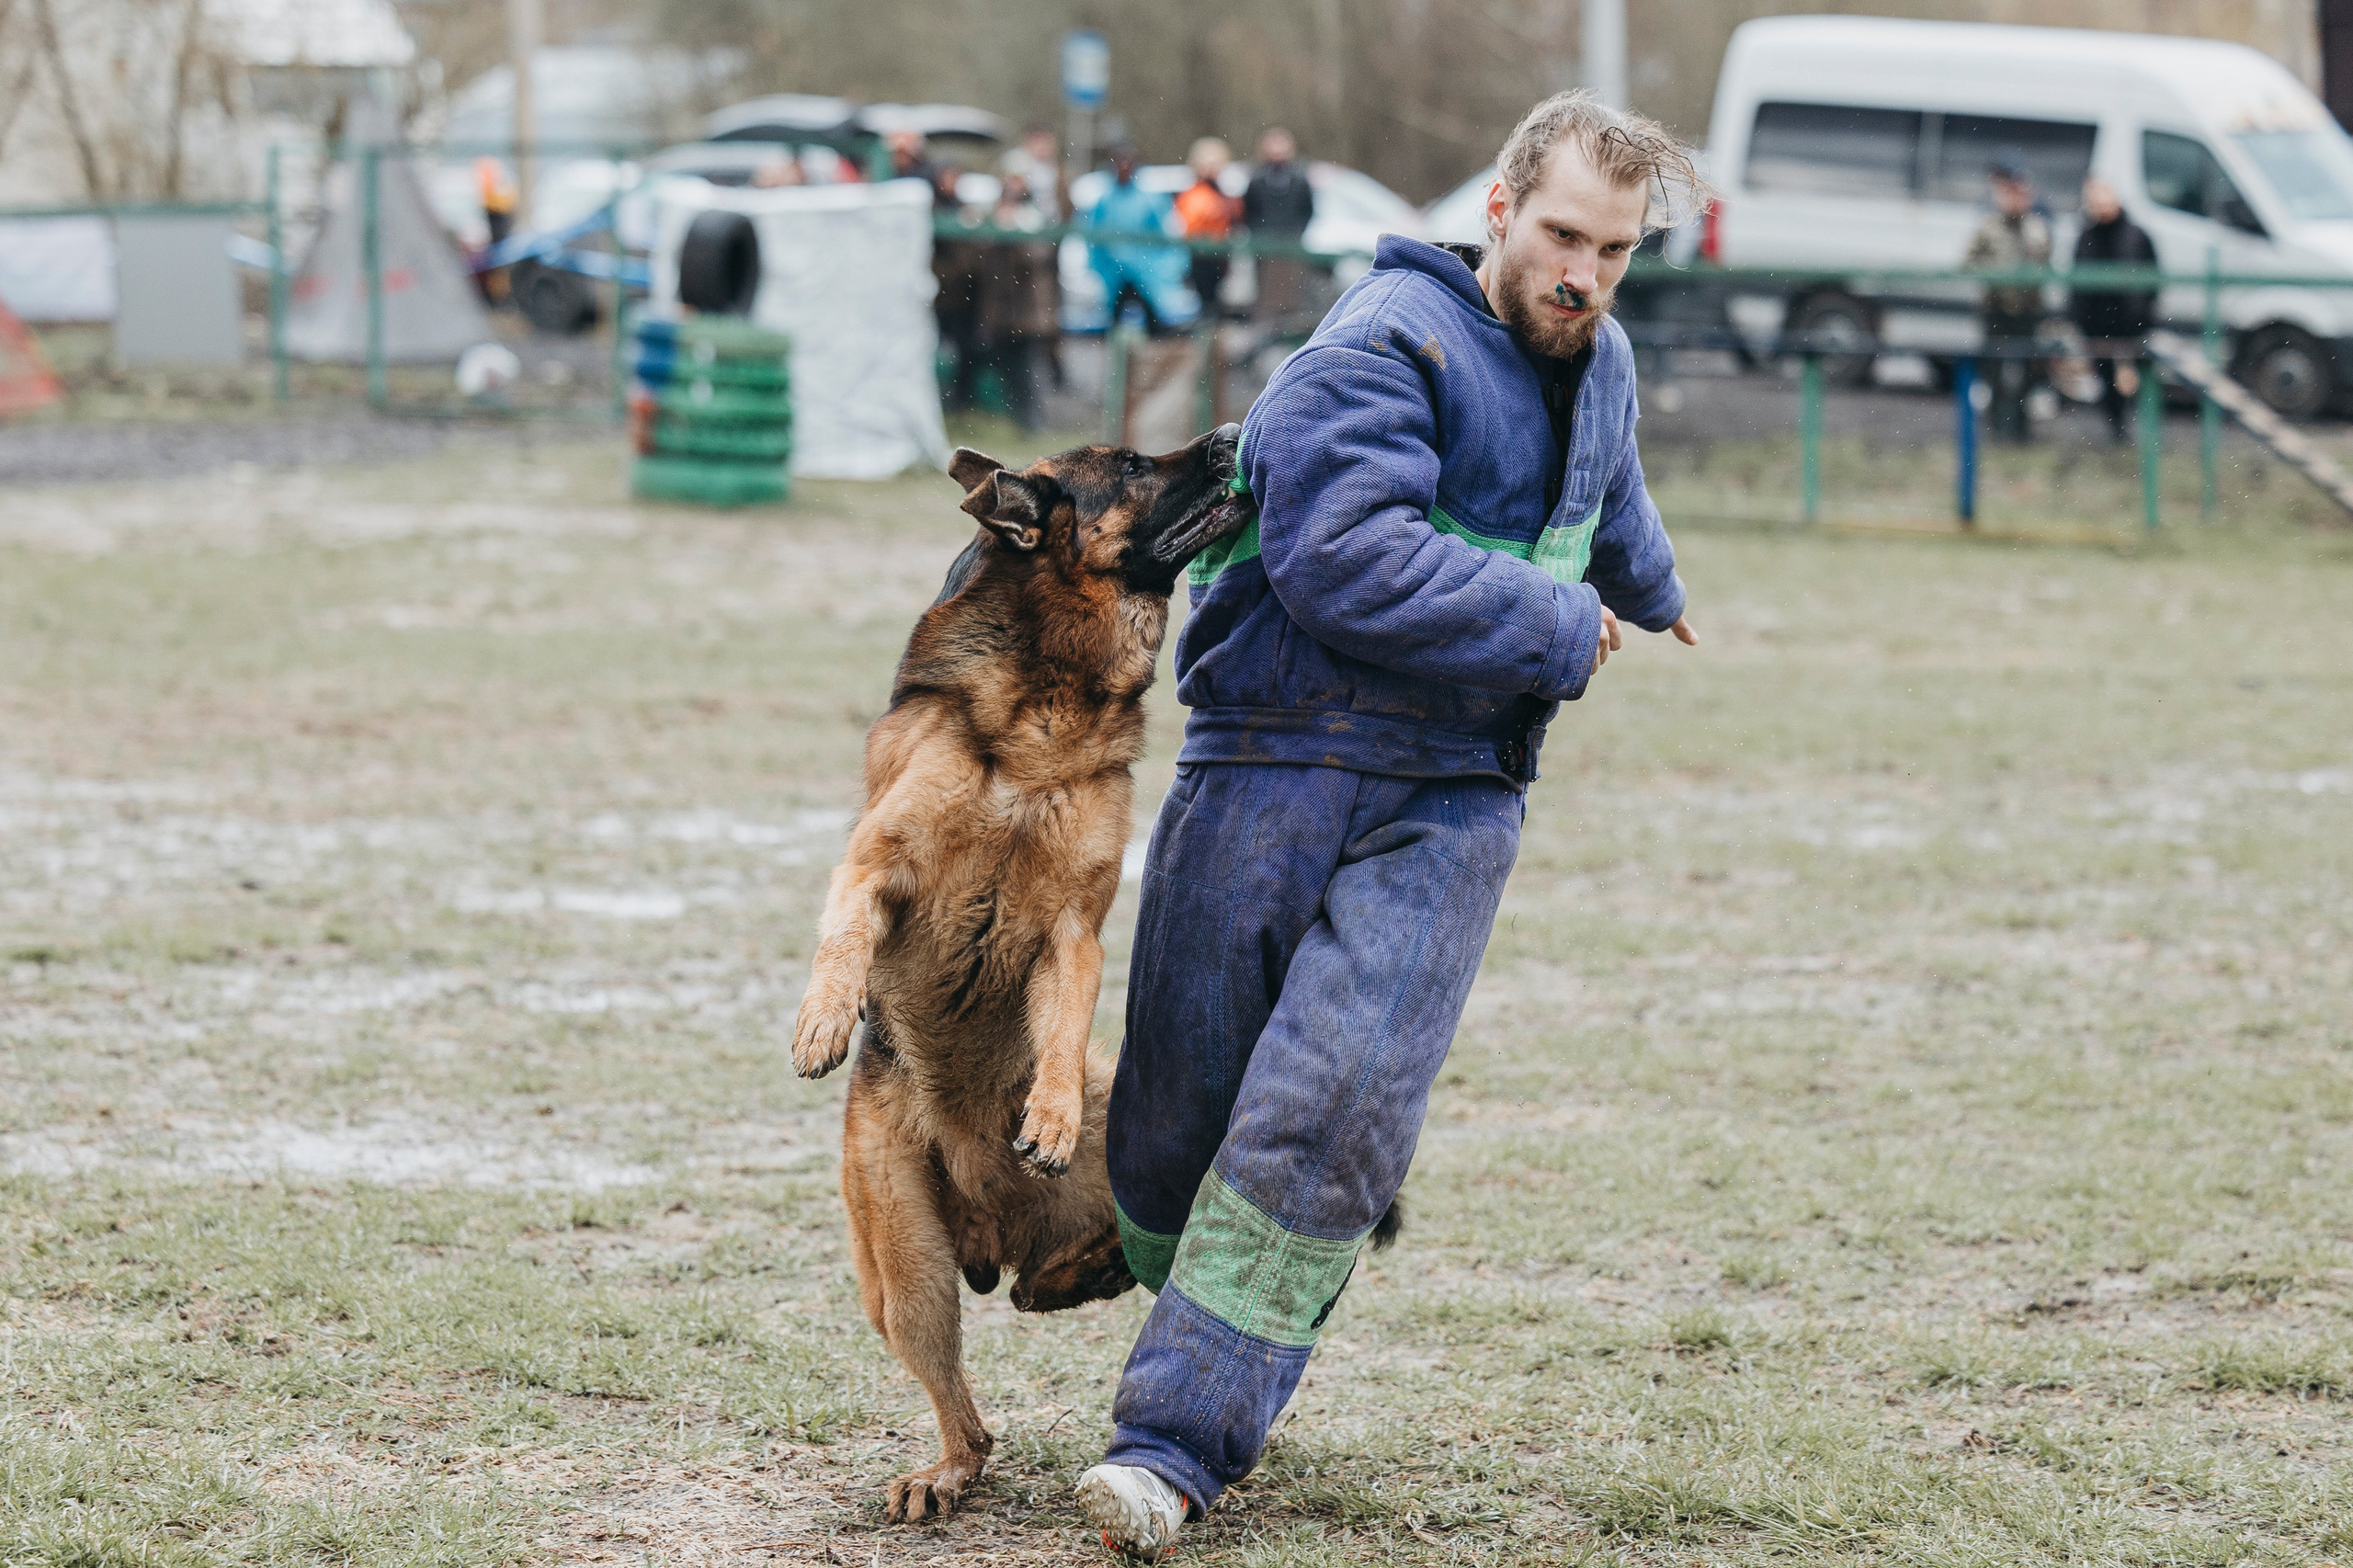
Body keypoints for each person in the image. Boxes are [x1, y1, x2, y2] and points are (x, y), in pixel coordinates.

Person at [1074, 90, 1703, 1559]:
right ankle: (1201, 1276)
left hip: (1455, 793)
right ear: (1497, 209)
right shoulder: (1374, 351)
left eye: (1614, 253)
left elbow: (1604, 487)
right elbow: (1348, 558)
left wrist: (1653, 589)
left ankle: (1173, 1446)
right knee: (1173, 1138)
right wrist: (1559, 620)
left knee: (1331, 1115)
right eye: (1561, 237)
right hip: (1274, 765)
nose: (1583, 275)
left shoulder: (1596, 355)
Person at [1963, 155, 2054, 442]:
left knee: (2028, 369)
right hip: (1996, 308)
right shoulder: (1988, 227)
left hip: (2028, 310)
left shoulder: (2037, 228)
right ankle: (1997, 426)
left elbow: (2048, 266)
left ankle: (2020, 427)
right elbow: (1968, 263)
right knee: (1994, 369)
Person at [2070, 176, 2158, 443]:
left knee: (2137, 380)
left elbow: (2151, 278)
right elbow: (2078, 282)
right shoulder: (2087, 236)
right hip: (2098, 326)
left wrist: (2143, 315)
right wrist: (2080, 320)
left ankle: (2140, 433)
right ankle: (2118, 430)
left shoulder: (2135, 235)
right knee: (2107, 381)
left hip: (2131, 325)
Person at [973, 174, 1059, 429]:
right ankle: (1014, 423)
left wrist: (1017, 233)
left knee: (1030, 375)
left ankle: (1035, 425)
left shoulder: (1033, 220)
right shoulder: (993, 220)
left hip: (1029, 316)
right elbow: (980, 266)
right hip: (1001, 316)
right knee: (1008, 373)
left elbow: (1037, 260)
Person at [1086, 142, 1194, 335]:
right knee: (1115, 324)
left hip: (1144, 272)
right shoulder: (1105, 201)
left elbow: (1166, 234)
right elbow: (1093, 236)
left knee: (1153, 322)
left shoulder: (1149, 200)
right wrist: (1097, 265)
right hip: (1115, 273)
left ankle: (1153, 361)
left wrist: (1172, 264)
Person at [1243, 127, 1316, 325]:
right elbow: (1249, 210)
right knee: (1267, 296)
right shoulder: (1257, 178)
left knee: (1292, 293)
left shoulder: (1300, 178)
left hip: (1291, 247)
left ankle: (1289, 326)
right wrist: (1261, 234)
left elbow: (1307, 210)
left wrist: (1294, 234)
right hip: (1265, 248)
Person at [1175, 137, 1242, 320]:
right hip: (1200, 258)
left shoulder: (1220, 192)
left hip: (1218, 257)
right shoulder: (1194, 194)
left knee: (1215, 303)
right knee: (1205, 304)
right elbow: (1191, 226)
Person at [999, 122, 1069, 224]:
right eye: (1040, 141)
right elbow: (1010, 195)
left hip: (1050, 221)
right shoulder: (1018, 161)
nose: (1044, 146)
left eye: (1047, 142)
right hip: (1025, 221)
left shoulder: (1054, 167)